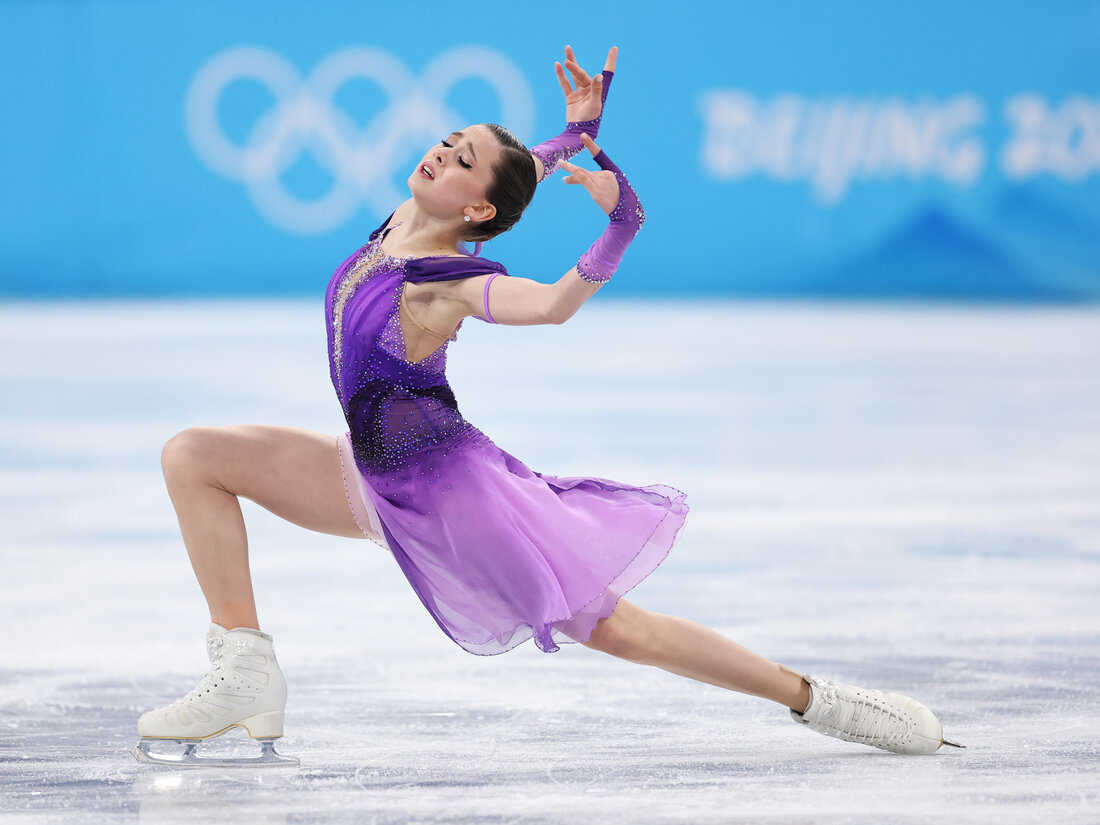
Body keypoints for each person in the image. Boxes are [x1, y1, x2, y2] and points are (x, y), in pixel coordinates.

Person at [133, 47, 958, 766]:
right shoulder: (402, 226)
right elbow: (516, 168)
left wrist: (621, 225)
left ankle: (820, 699)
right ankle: (245, 668)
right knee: (194, 456)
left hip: (452, 495)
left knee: (623, 631)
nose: (441, 156)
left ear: (478, 211)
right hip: (368, 471)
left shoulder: (447, 282)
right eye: (447, 143)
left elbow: (552, 304)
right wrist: (570, 133)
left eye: (461, 163)